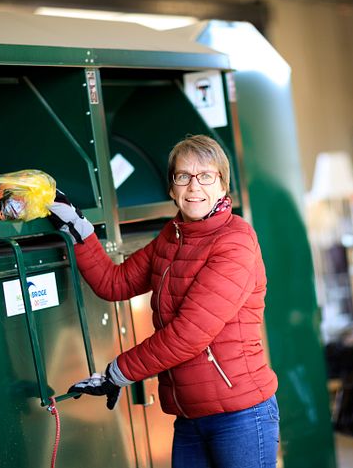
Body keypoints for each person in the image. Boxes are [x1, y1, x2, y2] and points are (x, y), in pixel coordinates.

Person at [47, 134, 280, 468]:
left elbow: (189, 334)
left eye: (206, 176)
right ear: (172, 188)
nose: (193, 187)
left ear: (223, 185)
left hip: (241, 416)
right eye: (183, 176)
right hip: (188, 416)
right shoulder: (172, 236)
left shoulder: (235, 242)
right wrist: (79, 230)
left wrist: (118, 373)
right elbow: (114, 283)